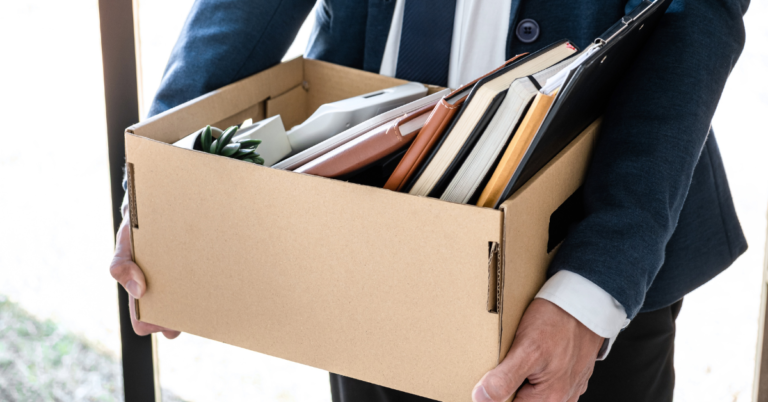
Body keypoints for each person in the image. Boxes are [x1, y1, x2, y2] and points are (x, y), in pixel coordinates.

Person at [109, 0, 750, 401]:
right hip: (360, 210)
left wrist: (592, 289)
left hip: (595, 229)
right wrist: (166, 181)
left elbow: (696, 14)